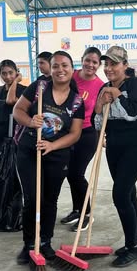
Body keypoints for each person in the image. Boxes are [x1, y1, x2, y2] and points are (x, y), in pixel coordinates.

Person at [13, 51, 85, 263]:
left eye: (64, 65)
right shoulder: (39, 88)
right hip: (29, 150)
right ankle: (29, 244)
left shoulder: (77, 101)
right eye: (55, 66)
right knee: (32, 198)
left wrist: (53, 145)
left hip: (57, 154)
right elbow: (18, 110)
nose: (60, 70)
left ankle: (45, 241)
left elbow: (75, 134)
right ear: (50, 69)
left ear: (72, 69)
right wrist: (30, 122)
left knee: (49, 200)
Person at [92, 46, 137, 267]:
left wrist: (117, 96)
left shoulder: (136, 84)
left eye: (114, 64)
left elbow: (133, 113)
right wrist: (100, 104)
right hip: (114, 145)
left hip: (136, 144)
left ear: (125, 65)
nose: (109, 68)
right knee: (128, 192)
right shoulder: (104, 87)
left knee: (120, 194)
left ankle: (133, 247)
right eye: (106, 64)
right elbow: (98, 122)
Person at [60, 47, 105, 232]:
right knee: (69, 173)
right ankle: (77, 209)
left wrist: (103, 135)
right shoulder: (71, 76)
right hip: (67, 131)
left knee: (76, 174)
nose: (90, 65)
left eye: (95, 62)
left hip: (87, 133)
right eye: (88, 60)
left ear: (99, 65)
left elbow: (101, 113)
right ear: (82, 59)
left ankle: (87, 213)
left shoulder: (101, 85)